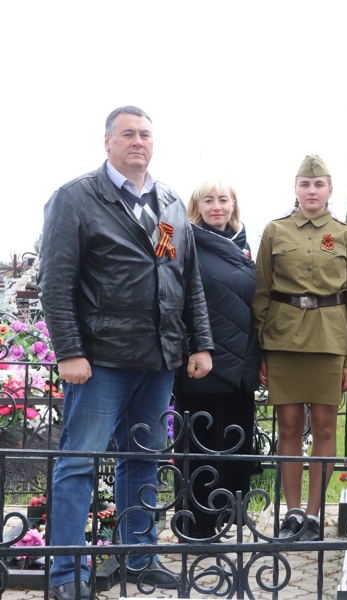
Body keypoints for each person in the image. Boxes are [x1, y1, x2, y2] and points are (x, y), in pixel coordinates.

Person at [38, 106, 214, 600]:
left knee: (144, 457)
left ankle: (140, 559)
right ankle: (65, 575)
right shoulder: (76, 198)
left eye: (145, 134)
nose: (138, 141)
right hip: (100, 361)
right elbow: (55, 284)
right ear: (107, 142)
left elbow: (189, 281)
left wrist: (199, 342)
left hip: (158, 360)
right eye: (128, 134)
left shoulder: (172, 203)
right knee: (78, 462)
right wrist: (69, 350)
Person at [252, 155, 347, 541]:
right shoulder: (275, 231)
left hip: (328, 342)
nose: (312, 191)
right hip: (283, 340)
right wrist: (259, 352)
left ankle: (316, 517)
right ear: (296, 189)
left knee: (323, 426)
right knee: (287, 427)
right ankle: (293, 515)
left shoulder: (345, 235)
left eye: (319, 185)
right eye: (305, 184)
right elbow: (262, 293)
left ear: (330, 190)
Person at [173, 179, 261, 540]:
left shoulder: (242, 247)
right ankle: (196, 525)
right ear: (197, 207)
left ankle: (226, 517)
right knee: (201, 451)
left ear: (233, 205)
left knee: (232, 448)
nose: (216, 206)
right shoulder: (188, 243)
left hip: (239, 368)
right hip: (202, 365)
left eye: (223, 199)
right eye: (207, 200)